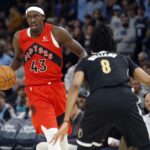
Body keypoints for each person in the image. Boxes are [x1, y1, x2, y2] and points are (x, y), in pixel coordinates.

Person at [51, 22, 150, 150]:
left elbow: (75, 86)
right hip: (125, 99)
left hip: (98, 100)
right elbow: (147, 79)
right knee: (141, 144)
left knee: (85, 147)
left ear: (92, 45)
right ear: (111, 44)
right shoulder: (122, 58)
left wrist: (65, 120)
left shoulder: (86, 61)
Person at [10, 3, 87, 150]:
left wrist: (79, 70)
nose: (32, 20)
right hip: (35, 91)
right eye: (29, 17)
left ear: (43, 17)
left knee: (62, 139)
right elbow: (18, 59)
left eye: (35, 16)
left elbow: (82, 52)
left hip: (57, 88)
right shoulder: (19, 37)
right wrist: (6, 72)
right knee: (53, 138)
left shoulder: (57, 33)